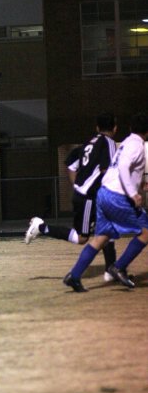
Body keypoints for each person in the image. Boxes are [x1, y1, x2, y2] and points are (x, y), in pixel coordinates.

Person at [25, 113, 118, 280]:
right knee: (82, 238)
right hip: (90, 197)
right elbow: (107, 171)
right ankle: (41, 227)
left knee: (106, 229)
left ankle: (110, 270)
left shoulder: (89, 142)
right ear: (115, 128)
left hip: (86, 195)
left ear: (97, 128)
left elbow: (70, 164)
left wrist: (77, 186)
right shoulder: (109, 143)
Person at [63, 112, 148, 292]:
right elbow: (124, 166)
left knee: (101, 237)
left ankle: (75, 275)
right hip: (117, 196)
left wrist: (140, 184)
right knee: (145, 232)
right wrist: (133, 193)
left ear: (131, 128)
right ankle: (118, 267)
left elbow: (120, 168)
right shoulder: (136, 146)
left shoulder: (126, 143)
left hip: (103, 194)